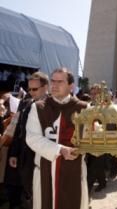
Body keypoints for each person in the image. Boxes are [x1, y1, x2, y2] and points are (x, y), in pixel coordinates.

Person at [26, 68, 88, 209]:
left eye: (60, 81)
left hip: (74, 171)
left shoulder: (84, 109)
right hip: (44, 172)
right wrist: (60, 150)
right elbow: (32, 138)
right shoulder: (38, 108)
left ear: (71, 85)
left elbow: (91, 138)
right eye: (53, 81)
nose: (54, 84)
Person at [6, 71, 49, 209]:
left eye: (34, 89)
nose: (31, 92)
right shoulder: (24, 103)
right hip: (23, 156)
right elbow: (18, 129)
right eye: (29, 89)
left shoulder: (52, 107)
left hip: (40, 157)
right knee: (24, 190)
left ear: (45, 87)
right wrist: (14, 153)